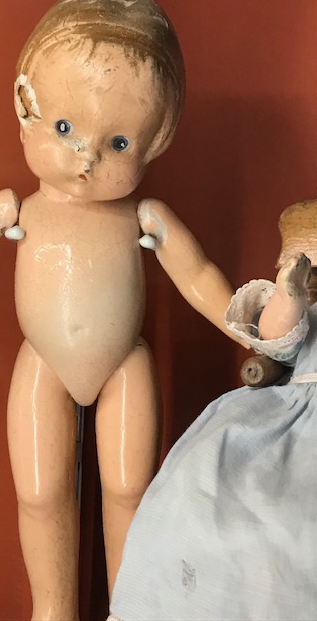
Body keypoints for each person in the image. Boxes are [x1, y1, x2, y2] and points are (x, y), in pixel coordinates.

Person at [0, 0, 245, 619]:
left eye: (118, 144)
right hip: (43, 362)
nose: (86, 157)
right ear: (25, 106)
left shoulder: (144, 216)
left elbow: (197, 274)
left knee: (130, 488)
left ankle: (132, 606)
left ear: (155, 143)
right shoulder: (15, 209)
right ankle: (52, 609)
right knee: (40, 495)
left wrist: (244, 324)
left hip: (123, 365)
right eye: (65, 128)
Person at [109, 248, 317, 621]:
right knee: (203, 488)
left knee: (293, 528)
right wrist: (290, 299)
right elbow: (280, 342)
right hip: (288, 417)